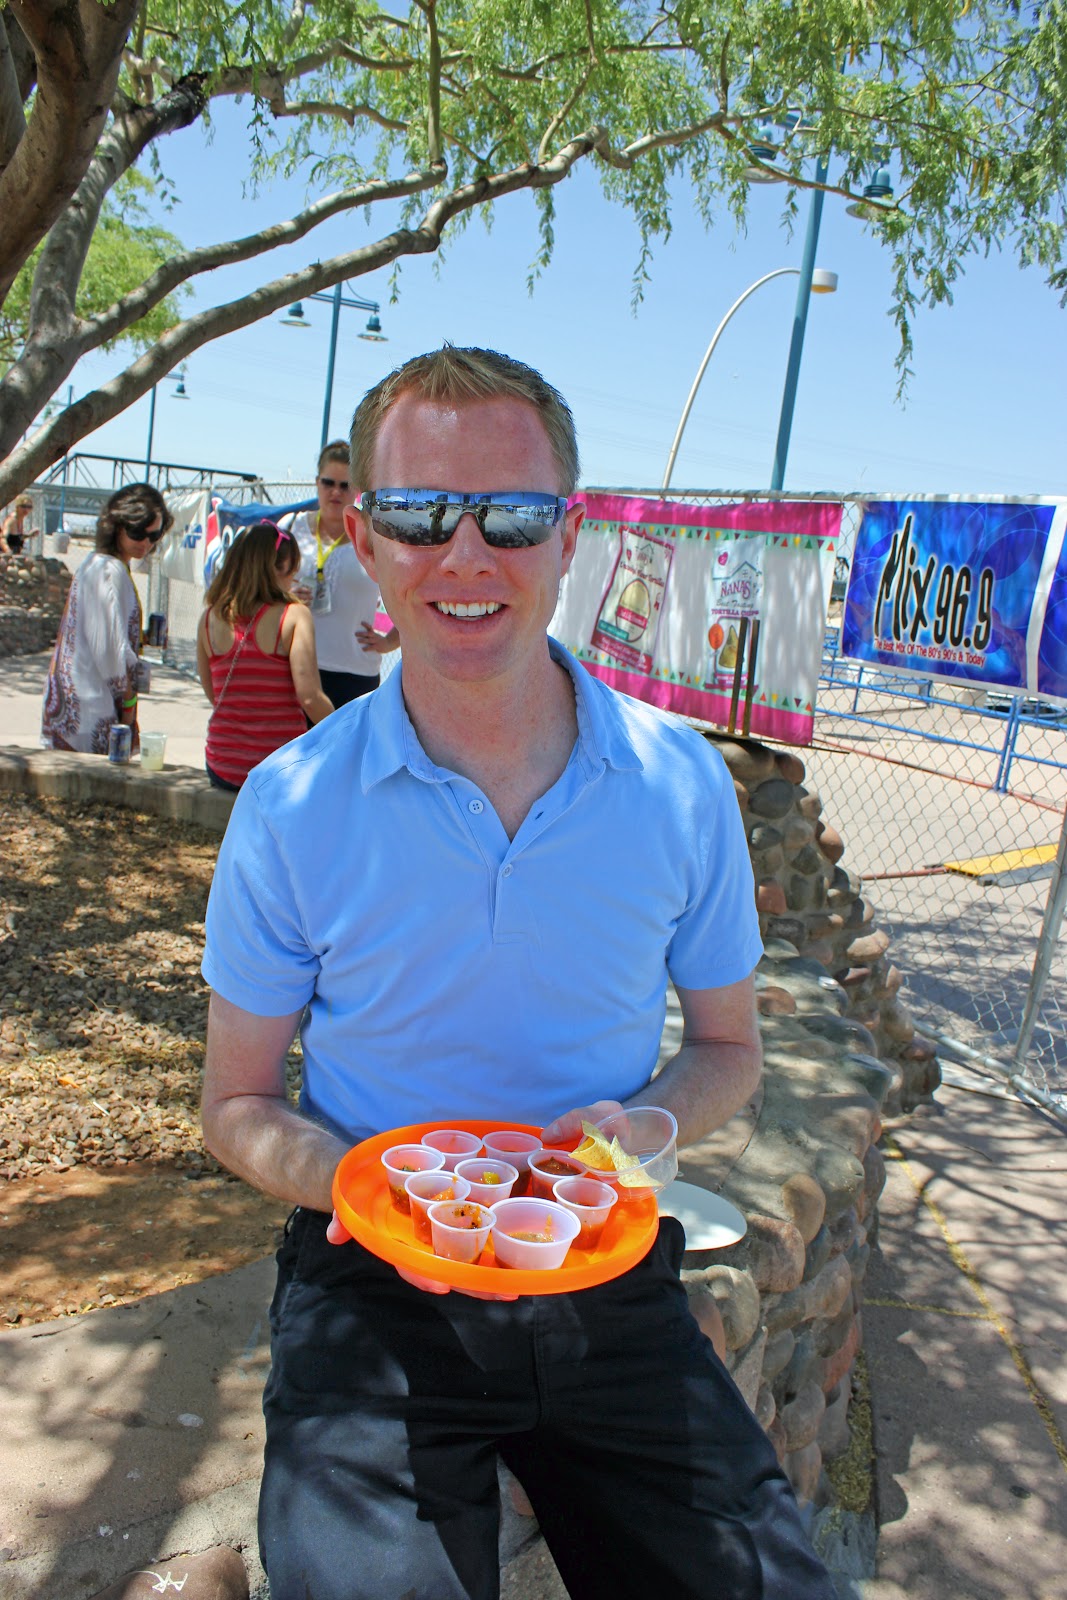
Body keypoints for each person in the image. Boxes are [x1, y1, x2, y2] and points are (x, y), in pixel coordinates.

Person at [200, 347, 836, 1600]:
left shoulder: (675, 783)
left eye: (514, 513)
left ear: (571, 536)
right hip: (368, 1285)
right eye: (420, 512)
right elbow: (236, 1104)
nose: (466, 552)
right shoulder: (291, 806)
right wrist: (377, 1190)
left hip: (603, 1269)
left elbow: (727, 1051)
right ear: (363, 539)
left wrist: (648, 1122)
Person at [196, 520, 334, 790]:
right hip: (278, 771)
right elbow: (310, 698)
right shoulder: (293, 616)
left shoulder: (208, 617)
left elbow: (214, 694)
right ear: (278, 569)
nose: (294, 578)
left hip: (222, 766)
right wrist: (349, 731)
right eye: (293, 571)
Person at [41, 483, 171, 755]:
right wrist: (128, 705)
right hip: (90, 712)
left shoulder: (98, 563)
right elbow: (109, 652)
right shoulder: (110, 571)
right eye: (139, 532)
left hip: (76, 708)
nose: (147, 542)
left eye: (155, 534)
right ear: (118, 526)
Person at [281, 440, 396, 703]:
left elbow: (410, 590)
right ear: (317, 482)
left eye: (344, 485)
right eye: (328, 483)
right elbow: (260, 588)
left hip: (355, 673)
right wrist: (286, 596)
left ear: (356, 489)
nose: (335, 492)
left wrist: (391, 641)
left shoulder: (375, 536)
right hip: (294, 667)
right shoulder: (290, 528)